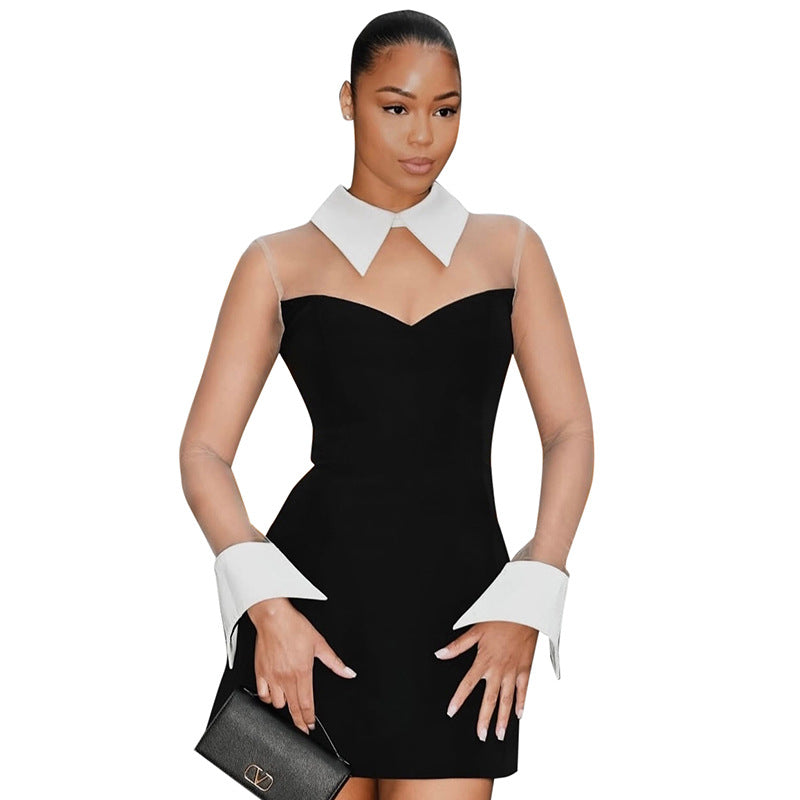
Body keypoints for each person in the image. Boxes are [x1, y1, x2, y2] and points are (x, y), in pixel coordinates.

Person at [179, 9, 593, 800]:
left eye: (447, 109)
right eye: (396, 106)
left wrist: (533, 591)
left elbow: (569, 430)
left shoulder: (509, 248)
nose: (423, 135)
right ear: (348, 101)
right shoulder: (278, 261)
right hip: (307, 622)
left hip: (467, 623)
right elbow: (203, 452)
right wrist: (266, 606)